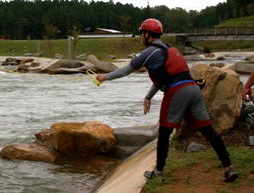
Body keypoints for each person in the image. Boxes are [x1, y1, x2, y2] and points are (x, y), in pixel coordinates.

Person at [95, 18, 238, 182]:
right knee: (207, 130)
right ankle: (229, 167)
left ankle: (158, 171)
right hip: (192, 88)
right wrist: (148, 96)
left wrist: (104, 77)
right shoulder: (170, 50)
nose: (141, 37)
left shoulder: (149, 52)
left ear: (148, 34)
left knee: (164, 131)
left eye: (142, 33)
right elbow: (166, 78)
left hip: (177, 91)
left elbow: (126, 70)